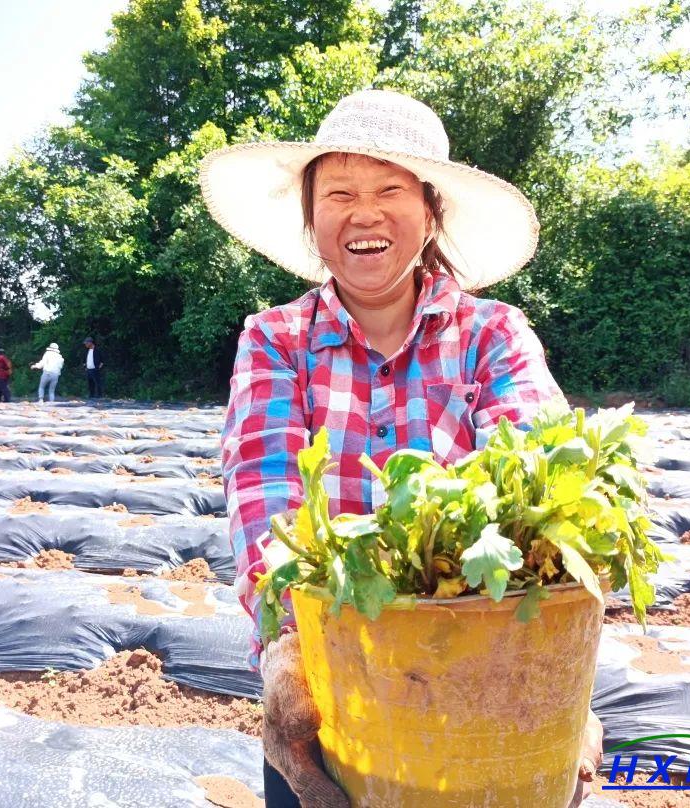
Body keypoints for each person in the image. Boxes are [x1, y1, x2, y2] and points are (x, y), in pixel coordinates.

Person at [204, 90, 603, 807]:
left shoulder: (493, 334)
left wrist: (559, 671)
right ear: (312, 217)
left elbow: (541, 481)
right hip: (332, 684)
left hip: (486, 672)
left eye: (391, 189)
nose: (364, 212)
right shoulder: (276, 340)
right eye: (339, 193)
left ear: (429, 211)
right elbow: (265, 492)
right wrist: (293, 649)